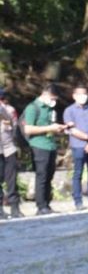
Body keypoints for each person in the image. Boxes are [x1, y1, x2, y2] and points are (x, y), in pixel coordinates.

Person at [23, 84, 70, 215]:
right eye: (53, 98)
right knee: (42, 176)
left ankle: (47, 204)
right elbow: (28, 129)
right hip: (39, 145)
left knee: (49, 176)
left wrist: (60, 128)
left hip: (51, 145)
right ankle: (41, 205)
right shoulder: (33, 108)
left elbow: (50, 127)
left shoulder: (50, 109)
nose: (54, 101)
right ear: (45, 94)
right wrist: (50, 128)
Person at [63, 85, 88, 209]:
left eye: (85, 94)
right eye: (80, 94)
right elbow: (72, 130)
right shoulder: (69, 111)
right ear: (74, 96)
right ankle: (78, 202)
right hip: (78, 146)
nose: (83, 97)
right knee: (78, 173)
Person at [0, 87, 22, 219]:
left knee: (11, 180)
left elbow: (15, 127)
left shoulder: (10, 110)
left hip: (9, 148)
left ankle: (15, 208)